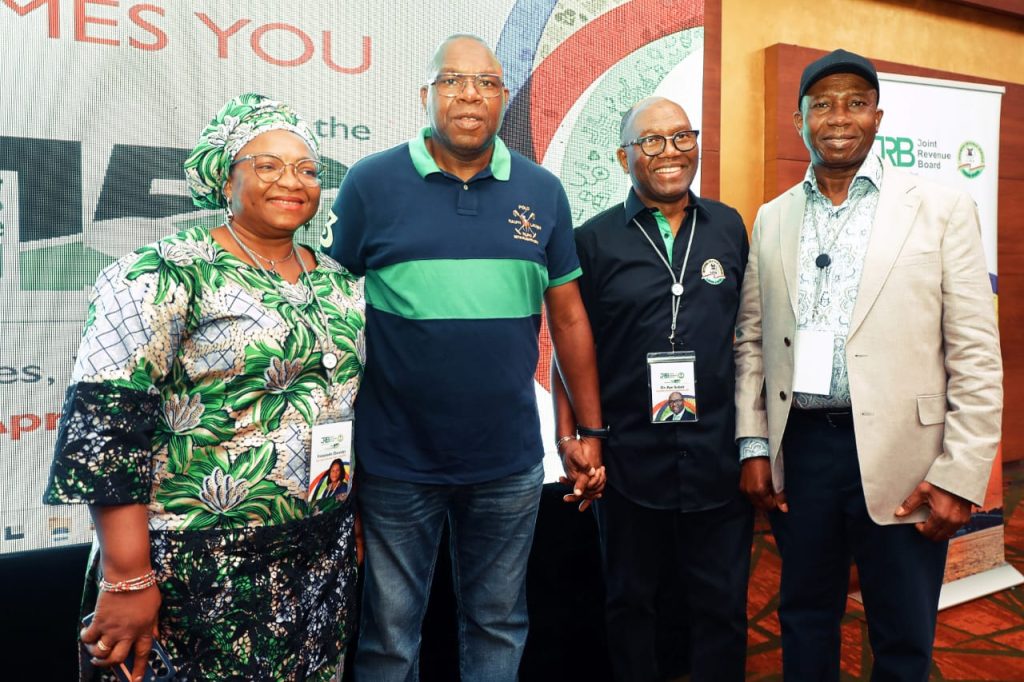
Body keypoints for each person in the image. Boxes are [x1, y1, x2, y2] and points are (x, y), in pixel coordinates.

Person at [44, 93, 365, 681]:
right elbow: (106, 431)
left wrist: (351, 514)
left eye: (307, 168)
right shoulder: (162, 272)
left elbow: (344, 408)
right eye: (267, 165)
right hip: (194, 564)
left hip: (318, 555)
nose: (291, 181)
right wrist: (128, 577)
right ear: (224, 177)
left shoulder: (341, 284)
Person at [321, 34, 604, 681]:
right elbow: (330, 316)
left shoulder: (542, 191)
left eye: (486, 82)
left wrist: (588, 431)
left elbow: (569, 318)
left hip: (506, 462)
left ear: (504, 97)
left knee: (497, 624)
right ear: (425, 94)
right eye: (452, 81)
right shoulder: (370, 183)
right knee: (390, 637)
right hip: (396, 460)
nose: (470, 94)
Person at [734, 49, 1003, 681]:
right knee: (804, 616)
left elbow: (975, 353)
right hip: (803, 451)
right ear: (799, 120)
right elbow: (751, 341)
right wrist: (753, 443)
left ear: (878, 117)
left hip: (906, 458)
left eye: (856, 103)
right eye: (822, 104)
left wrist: (961, 475)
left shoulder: (941, 208)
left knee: (903, 633)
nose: (839, 117)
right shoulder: (773, 217)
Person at [554, 96, 753, 681]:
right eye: (652, 140)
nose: (671, 151)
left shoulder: (729, 227)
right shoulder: (592, 241)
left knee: (722, 607)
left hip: (717, 456)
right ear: (624, 158)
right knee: (630, 604)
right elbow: (568, 349)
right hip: (629, 461)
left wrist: (756, 443)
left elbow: (752, 337)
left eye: (682, 136)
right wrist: (572, 437)